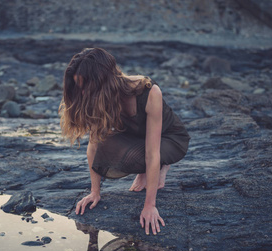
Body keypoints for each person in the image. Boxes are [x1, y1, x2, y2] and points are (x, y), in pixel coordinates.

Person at [59, 48, 190, 235]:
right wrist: (95, 192)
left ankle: (164, 165)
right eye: (79, 86)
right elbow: (94, 146)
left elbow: (152, 153)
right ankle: (148, 170)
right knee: (105, 145)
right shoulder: (99, 97)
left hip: (169, 138)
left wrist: (149, 205)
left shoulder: (149, 91)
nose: (82, 92)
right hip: (137, 137)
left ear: (102, 80)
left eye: (85, 85)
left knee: (143, 158)